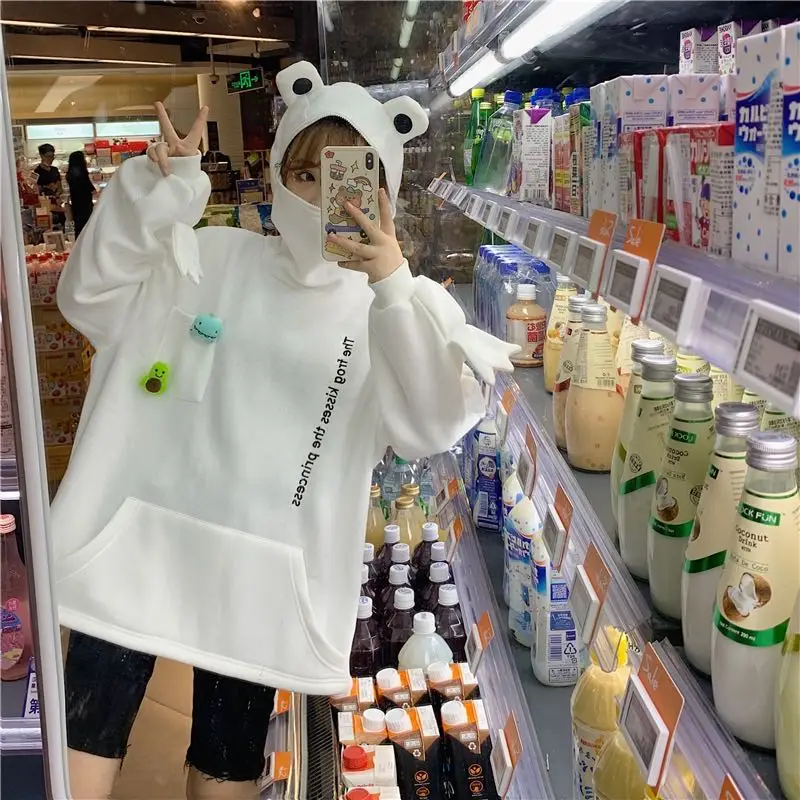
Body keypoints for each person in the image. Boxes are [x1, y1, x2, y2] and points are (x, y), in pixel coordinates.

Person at [53, 61, 518, 799]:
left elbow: (430, 424)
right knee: (82, 739)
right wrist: (160, 191)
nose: (320, 197)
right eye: (304, 174)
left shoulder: (388, 310)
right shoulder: (210, 254)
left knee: (227, 763)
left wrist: (393, 285)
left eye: (346, 179)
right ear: (275, 172)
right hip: (135, 546)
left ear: (384, 193)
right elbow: (90, 298)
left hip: (264, 578)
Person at [66, 151, 97, 238]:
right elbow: (91, 189)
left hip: (76, 204)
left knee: (79, 227)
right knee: (87, 225)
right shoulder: (82, 174)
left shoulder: (70, 174)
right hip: (85, 204)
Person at [34, 143, 66, 228]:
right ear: (41, 156)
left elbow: (60, 188)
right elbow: (35, 192)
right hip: (45, 208)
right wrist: (46, 188)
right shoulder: (36, 172)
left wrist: (58, 193)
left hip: (58, 206)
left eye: (52, 156)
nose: (50, 159)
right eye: (48, 156)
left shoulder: (55, 170)